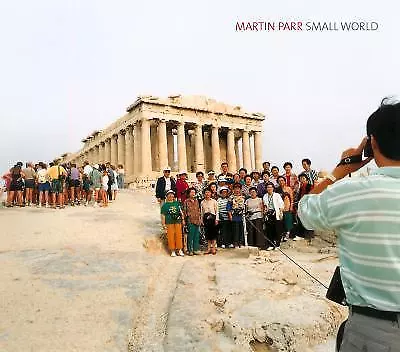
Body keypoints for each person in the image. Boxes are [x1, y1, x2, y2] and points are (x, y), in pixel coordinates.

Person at [298, 99, 400, 352]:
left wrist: (340, 171)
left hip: (375, 332)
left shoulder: (352, 193)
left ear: (372, 143)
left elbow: (305, 210)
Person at [161, 190, 185, 257]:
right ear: (167, 196)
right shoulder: (165, 205)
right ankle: (172, 250)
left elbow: (181, 212)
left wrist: (183, 219)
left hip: (177, 221)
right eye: (169, 194)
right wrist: (163, 224)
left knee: (179, 235)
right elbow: (163, 215)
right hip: (169, 222)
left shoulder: (177, 203)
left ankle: (179, 249)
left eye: (172, 194)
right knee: (171, 236)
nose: (171, 196)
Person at [262, 182, 284, 250]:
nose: (269, 188)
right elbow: (265, 205)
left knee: (277, 229)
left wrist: (280, 212)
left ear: (273, 188)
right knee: (269, 229)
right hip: (269, 214)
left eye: (270, 187)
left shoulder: (277, 195)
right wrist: (265, 211)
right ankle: (271, 244)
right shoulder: (265, 196)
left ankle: (277, 244)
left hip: (276, 213)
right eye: (268, 187)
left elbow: (281, 204)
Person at [183, 187, 201, 256]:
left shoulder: (197, 201)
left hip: (197, 220)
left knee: (196, 236)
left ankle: (195, 249)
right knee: (190, 236)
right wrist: (185, 220)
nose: (193, 194)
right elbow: (185, 211)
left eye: (194, 192)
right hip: (190, 220)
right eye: (191, 192)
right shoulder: (186, 201)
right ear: (189, 193)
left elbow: (199, 210)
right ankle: (190, 250)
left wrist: (200, 218)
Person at [201, 188, 219, 255]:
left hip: (213, 218)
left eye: (208, 192)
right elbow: (202, 212)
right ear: (204, 193)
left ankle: (213, 248)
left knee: (213, 234)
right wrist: (202, 220)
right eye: (206, 192)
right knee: (207, 234)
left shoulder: (214, 201)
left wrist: (217, 219)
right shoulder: (202, 202)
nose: (207, 194)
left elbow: (217, 211)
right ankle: (208, 249)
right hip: (206, 218)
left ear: (211, 193)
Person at [227, 182, 245, 248]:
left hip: (242, 216)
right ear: (233, 189)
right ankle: (235, 243)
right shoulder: (231, 197)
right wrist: (230, 215)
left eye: (238, 188)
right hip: (234, 215)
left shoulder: (243, 197)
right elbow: (228, 207)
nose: (237, 190)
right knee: (235, 229)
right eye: (236, 188)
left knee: (241, 229)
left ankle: (241, 242)